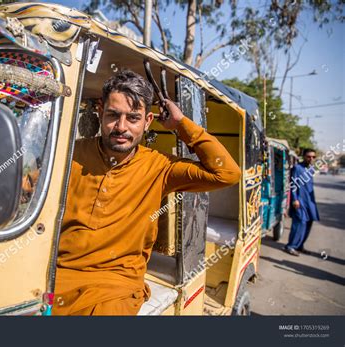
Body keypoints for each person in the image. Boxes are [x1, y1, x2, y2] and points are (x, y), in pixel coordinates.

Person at [52, 70, 241, 315]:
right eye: (113, 115)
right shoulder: (71, 153)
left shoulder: (160, 166)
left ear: (147, 121)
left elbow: (227, 173)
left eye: (133, 118)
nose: (121, 127)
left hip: (116, 285)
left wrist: (182, 125)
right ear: (100, 112)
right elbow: (28, 187)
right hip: (56, 273)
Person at [284, 148, 320, 256]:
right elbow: (293, 185)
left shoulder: (311, 169)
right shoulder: (297, 168)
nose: (311, 159)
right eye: (308, 156)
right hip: (299, 201)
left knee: (309, 222)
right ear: (304, 156)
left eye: (313, 157)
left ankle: (300, 245)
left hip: (310, 202)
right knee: (299, 223)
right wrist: (294, 199)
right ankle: (290, 246)